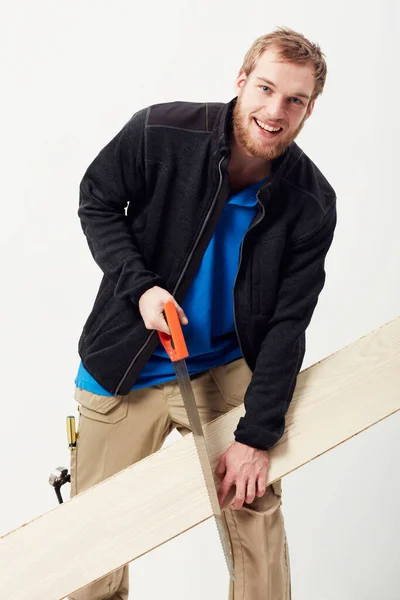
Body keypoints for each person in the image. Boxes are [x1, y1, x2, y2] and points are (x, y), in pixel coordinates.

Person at [70, 26, 337, 600]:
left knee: (256, 517)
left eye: (295, 100)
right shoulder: (159, 132)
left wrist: (256, 436)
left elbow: (290, 324)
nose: (275, 111)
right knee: (89, 547)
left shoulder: (311, 202)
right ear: (241, 81)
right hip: (124, 368)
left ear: (310, 109)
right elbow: (96, 200)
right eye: (265, 89)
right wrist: (141, 289)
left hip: (224, 368)